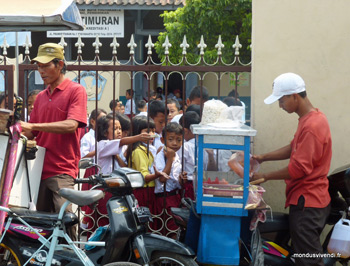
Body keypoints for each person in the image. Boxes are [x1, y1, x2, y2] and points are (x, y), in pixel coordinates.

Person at [250, 73, 332, 266]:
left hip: (308, 203)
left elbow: (299, 168)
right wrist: (263, 157)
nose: (280, 105)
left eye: (281, 100)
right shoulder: (311, 118)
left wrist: (265, 176)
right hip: (309, 199)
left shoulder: (312, 125)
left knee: (309, 260)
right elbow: (294, 146)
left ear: (295, 95)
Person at [20, 43, 88, 240]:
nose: (41, 71)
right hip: (37, 171)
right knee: (39, 229)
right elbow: (30, 133)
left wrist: (34, 127)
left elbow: (71, 125)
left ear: (59, 64)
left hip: (62, 171)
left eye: (45, 65)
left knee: (66, 224)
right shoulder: (40, 97)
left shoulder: (76, 91)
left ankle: (72, 260)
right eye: (38, 66)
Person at [126, 116, 168, 230]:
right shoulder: (139, 151)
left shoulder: (149, 149)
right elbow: (143, 176)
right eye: (147, 131)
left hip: (149, 190)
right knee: (144, 224)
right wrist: (157, 175)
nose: (152, 134)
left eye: (153, 131)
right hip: (143, 191)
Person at [154, 122, 185, 237]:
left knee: (176, 228)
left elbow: (176, 181)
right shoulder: (162, 156)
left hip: (175, 196)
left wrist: (182, 179)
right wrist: (170, 160)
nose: (175, 143)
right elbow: (162, 178)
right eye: (171, 139)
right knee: (170, 228)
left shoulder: (176, 156)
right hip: (165, 197)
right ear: (163, 140)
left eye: (178, 140)